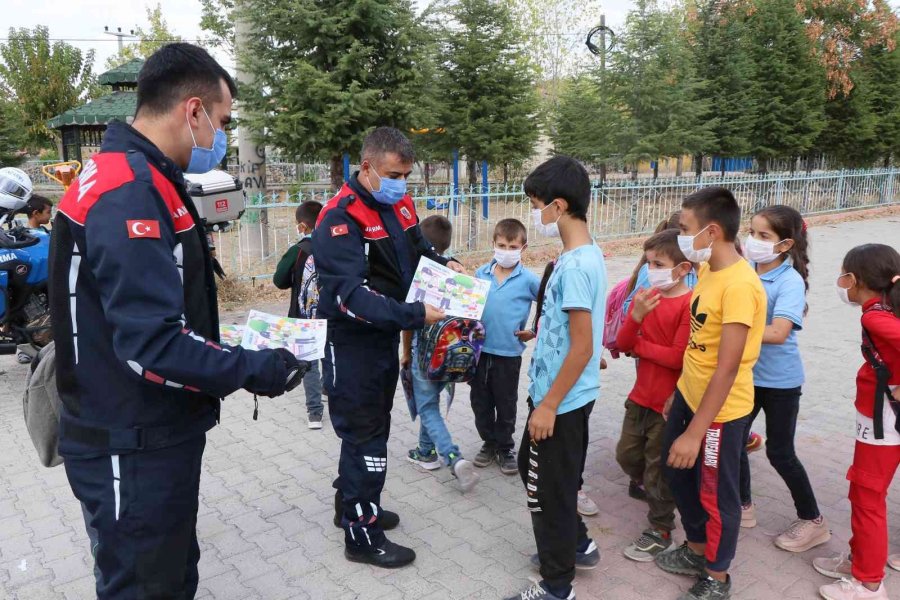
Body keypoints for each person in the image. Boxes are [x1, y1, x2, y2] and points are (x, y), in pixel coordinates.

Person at [47, 43, 305, 599]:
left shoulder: (136, 175)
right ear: (193, 112)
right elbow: (151, 345)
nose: (224, 137)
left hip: (146, 429)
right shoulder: (130, 193)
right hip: (129, 436)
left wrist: (221, 341)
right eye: (224, 121)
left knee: (169, 574)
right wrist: (251, 367)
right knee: (145, 585)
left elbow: (151, 309)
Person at [313, 126, 464, 569]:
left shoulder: (397, 202)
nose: (401, 182)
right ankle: (362, 535)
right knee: (367, 436)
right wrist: (414, 315)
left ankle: (351, 506)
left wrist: (443, 264)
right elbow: (348, 297)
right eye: (393, 173)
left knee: (368, 425)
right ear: (367, 167)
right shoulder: (340, 219)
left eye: (406, 174)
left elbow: (416, 248)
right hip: (352, 341)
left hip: (382, 336)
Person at [655, 187, 766, 600]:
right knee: (676, 471)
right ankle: (696, 548)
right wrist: (679, 392)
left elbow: (728, 366)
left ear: (712, 231)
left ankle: (717, 577)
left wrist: (695, 432)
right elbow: (700, 343)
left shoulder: (740, 285)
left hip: (721, 411)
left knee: (717, 495)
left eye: (686, 229)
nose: (681, 236)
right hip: (690, 394)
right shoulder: (708, 272)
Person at [505, 156, 606, 600]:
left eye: (535, 204)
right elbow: (573, 332)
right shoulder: (578, 256)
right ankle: (578, 543)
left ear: (559, 206)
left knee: (547, 493)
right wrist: (541, 332)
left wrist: (547, 406)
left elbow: (583, 347)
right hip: (558, 395)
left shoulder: (578, 265)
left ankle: (556, 585)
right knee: (546, 475)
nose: (534, 213)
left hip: (559, 402)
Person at [736, 206, 829, 548]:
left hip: (780, 383)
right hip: (746, 375)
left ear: (785, 244)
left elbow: (778, 332)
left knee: (780, 452)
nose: (753, 241)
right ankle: (743, 504)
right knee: (735, 441)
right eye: (751, 232)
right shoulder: (746, 270)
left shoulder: (788, 281)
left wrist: (734, 327)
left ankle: (813, 520)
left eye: (764, 236)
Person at [814, 244, 900, 600]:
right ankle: (862, 559)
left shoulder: (875, 317)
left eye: (843, 274)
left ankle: (868, 581)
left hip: (883, 419)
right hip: (883, 413)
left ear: (855, 279)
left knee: (866, 495)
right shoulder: (886, 311)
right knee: (865, 493)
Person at [616, 228, 692, 562]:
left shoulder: (690, 304)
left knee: (657, 470)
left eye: (658, 263)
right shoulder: (646, 297)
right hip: (639, 397)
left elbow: (677, 357)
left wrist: (640, 347)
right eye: (649, 262)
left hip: (667, 405)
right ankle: (650, 486)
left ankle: (660, 529)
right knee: (627, 455)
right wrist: (635, 319)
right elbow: (621, 344)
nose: (651, 270)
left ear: (683, 269)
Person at [403, 214, 479, 491]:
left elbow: (409, 320)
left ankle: (453, 457)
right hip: (451, 353)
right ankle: (425, 452)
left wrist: (405, 353)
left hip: (423, 351)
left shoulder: (419, 271)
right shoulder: (456, 270)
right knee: (431, 402)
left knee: (426, 406)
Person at [470, 218, 539, 475]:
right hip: (478, 352)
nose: (506, 251)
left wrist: (534, 330)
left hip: (509, 353)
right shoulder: (480, 274)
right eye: (502, 245)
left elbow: (546, 305)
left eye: (512, 246)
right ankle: (488, 442)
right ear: (493, 245)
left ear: (523, 248)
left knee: (506, 402)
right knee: (480, 401)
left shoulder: (529, 280)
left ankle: (505, 447)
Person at [273, 200, 326, 429]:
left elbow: (279, 281)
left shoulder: (298, 250)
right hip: (333, 314)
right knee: (332, 357)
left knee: (309, 362)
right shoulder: (336, 246)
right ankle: (331, 390)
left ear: (303, 226)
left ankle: (315, 413)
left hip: (304, 318)